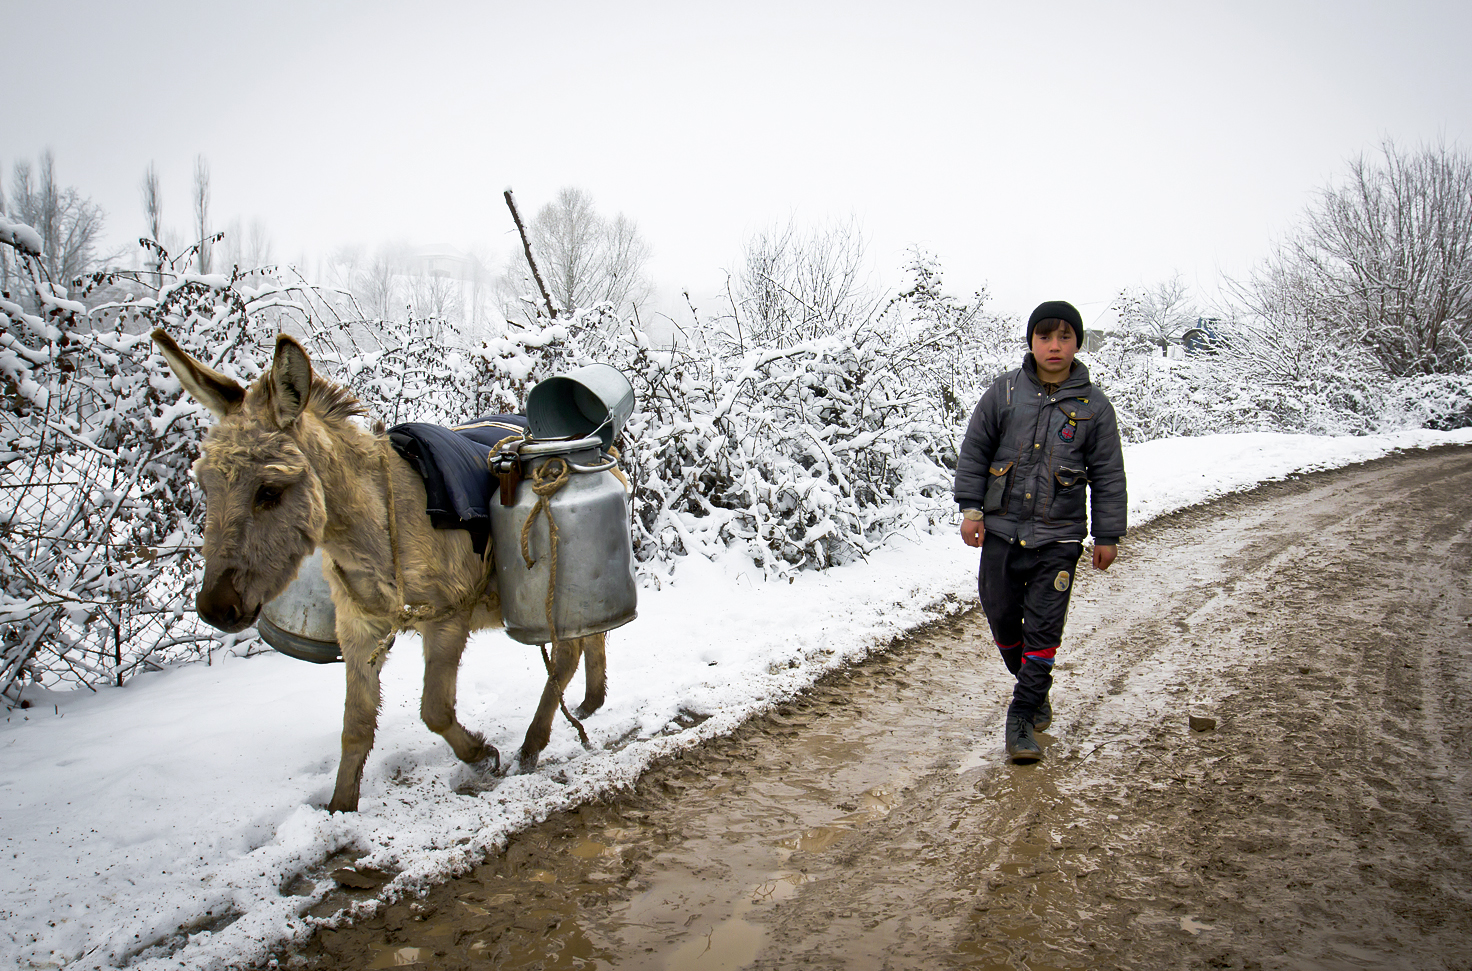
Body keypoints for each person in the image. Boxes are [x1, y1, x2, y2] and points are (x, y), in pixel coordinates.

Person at [954, 300, 1127, 763]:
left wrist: (1107, 534)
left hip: (1059, 537)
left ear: (1077, 343)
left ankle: (1022, 715)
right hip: (1002, 531)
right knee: (1003, 618)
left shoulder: (1094, 406)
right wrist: (971, 510)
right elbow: (975, 451)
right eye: (1045, 336)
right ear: (1031, 342)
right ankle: (1034, 685)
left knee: (1045, 628)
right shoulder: (1005, 393)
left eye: (1065, 337)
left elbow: (1108, 473)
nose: (1055, 346)